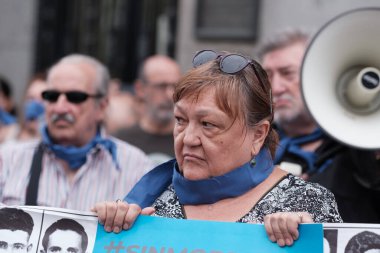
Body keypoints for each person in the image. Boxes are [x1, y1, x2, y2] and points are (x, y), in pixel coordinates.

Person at [93, 49, 342, 247]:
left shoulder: (305, 205)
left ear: (258, 135)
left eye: (208, 124)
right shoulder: (151, 200)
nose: (188, 138)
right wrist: (106, 230)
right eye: (180, 120)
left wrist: (311, 241)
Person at [0, 54, 152, 211]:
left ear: (101, 106)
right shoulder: (8, 161)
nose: (60, 108)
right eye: (52, 96)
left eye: (75, 97)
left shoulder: (135, 167)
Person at [256, 28, 341, 180]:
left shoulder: (353, 152)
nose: (276, 88)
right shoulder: (251, 143)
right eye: (268, 76)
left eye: (287, 73)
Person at [115, 55, 181, 165]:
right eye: (161, 86)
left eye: (175, 86)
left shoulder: (189, 141)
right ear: (140, 89)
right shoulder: (120, 143)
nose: (170, 94)